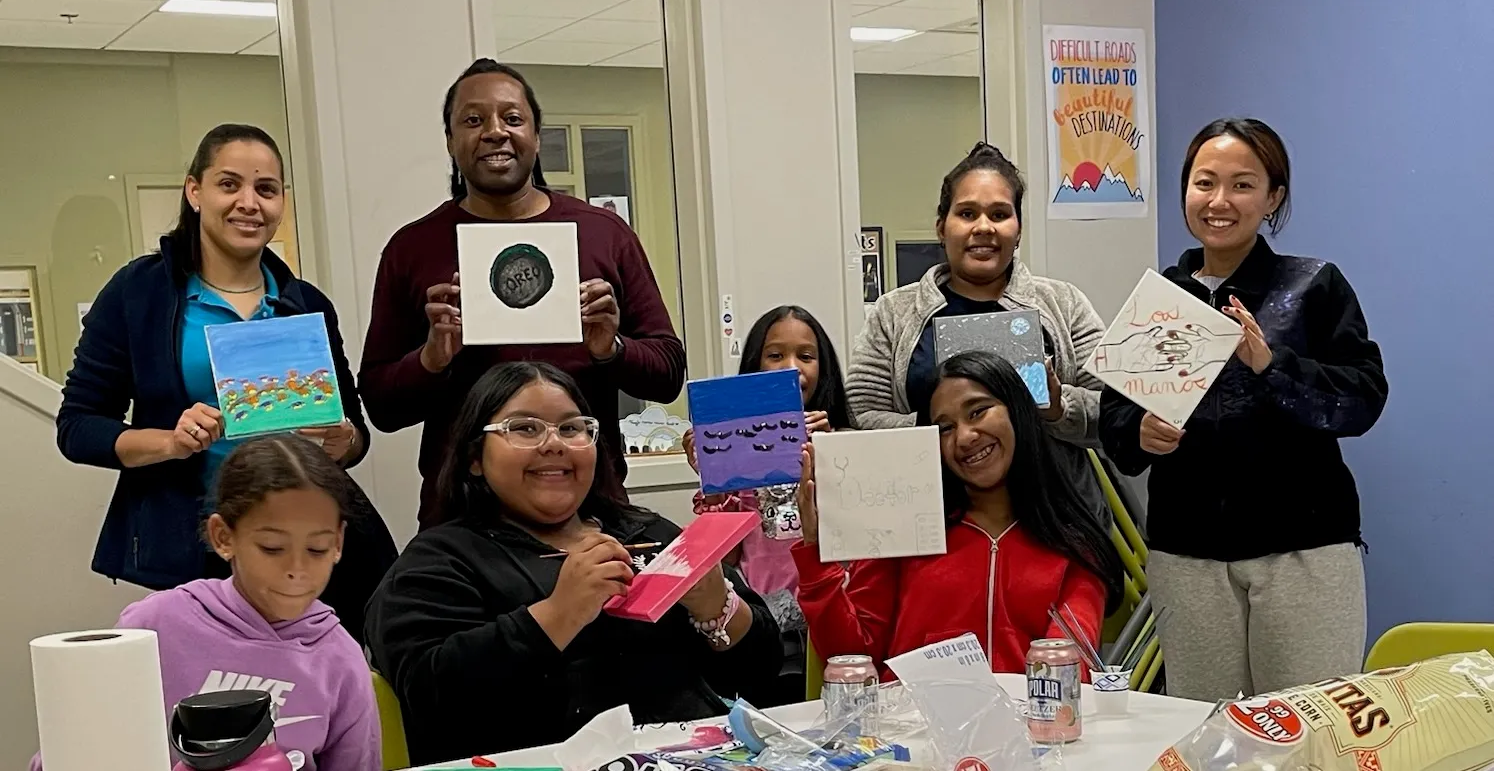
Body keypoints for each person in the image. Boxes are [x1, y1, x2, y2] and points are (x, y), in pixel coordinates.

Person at [56, 125, 395, 635]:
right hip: (194, 548)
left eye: (266, 189)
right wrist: (170, 442)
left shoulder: (305, 304)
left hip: (303, 545)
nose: (248, 203)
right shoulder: (139, 294)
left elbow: (355, 434)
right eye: (229, 184)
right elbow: (77, 427)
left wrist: (341, 438)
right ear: (194, 192)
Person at [1099, 118, 1387, 702]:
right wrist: (1141, 432)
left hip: (1303, 548)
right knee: (1207, 732)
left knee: (1309, 731)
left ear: (1273, 197)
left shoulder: (1313, 286)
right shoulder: (1163, 297)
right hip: (1188, 553)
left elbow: (1361, 399)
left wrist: (1270, 364)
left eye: (1242, 185)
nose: (1220, 201)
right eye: (1204, 183)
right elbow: (1116, 420)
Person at [364, 362, 781, 761]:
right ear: (475, 456)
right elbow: (428, 697)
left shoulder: (647, 533)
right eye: (524, 428)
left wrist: (717, 611)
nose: (554, 444)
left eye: (571, 428)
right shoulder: (438, 561)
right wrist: (557, 616)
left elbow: (762, 672)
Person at [360, 58, 685, 529]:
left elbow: (667, 374)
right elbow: (381, 407)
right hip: (463, 521)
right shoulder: (413, 248)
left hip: (591, 511)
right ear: (451, 142)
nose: (495, 131)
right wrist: (431, 359)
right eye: (474, 120)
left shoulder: (602, 234)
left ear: (536, 136)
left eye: (512, 118)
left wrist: (610, 349)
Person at [31, 436, 380, 771]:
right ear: (223, 537)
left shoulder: (340, 660)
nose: (296, 570)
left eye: (317, 549)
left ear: (338, 543)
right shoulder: (155, 625)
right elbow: (65, 752)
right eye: (272, 548)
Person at [794, 351, 1123, 680]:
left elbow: (1064, 675)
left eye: (978, 411)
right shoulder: (902, 529)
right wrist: (816, 559)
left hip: (1031, 726)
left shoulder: (1075, 548)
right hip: (907, 727)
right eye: (945, 428)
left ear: (1018, 411)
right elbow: (850, 657)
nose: (965, 437)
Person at [846, 142, 1109, 523]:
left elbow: (1114, 411)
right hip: (934, 521)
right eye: (967, 213)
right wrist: (942, 426)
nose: (983, 227)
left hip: (1059, 521)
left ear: (1017, 230)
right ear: (942, 227)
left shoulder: (1063, 303)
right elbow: (861, 414)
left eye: (1000, 214)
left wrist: (1058, 408)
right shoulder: (894, 312)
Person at [681, 305, 853, 707]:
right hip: (764, 620)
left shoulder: (846, 442)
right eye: (775, 355)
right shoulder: (741, 456)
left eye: (806, 356)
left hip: (832, 614)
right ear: (755, 366)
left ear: (823, 368)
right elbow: (728, 555)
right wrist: (713, 479)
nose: (791, 368)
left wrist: (833, 457)